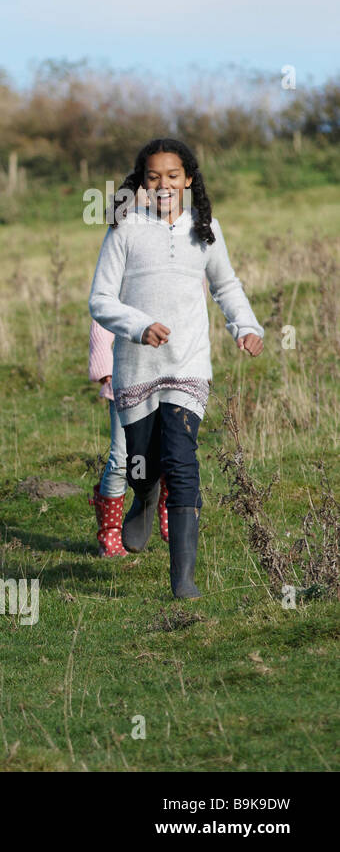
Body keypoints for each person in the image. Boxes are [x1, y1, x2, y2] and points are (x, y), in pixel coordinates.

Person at [89, 138, 262, 598]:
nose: (162, 184)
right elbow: (100, 300)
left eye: (171, 176)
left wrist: (244, 325)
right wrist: (139, 325)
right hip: (138, 367)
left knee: (183, 462)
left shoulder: (206, 228)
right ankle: (144, 498)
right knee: (142, 467)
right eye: (152, 177)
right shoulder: (125, 228)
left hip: (188, 365)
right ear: (142, 182)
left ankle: (183, 581)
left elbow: (225, 285)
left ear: (188, 179)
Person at [88, 318, 168, 557]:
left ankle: (169, 509)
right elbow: (101, 322)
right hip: (124, 381)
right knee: (121, 460)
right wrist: (104, 368)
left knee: (169, 452)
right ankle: (110, 533)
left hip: (166, 381)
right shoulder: (120, 281)